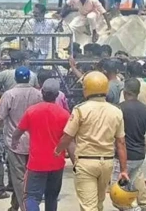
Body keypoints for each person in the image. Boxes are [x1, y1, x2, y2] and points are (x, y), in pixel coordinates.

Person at [55, 71, 129, 211]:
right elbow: (121, 143)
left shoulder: (80, 110)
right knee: (99, 203)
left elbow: (68, 136)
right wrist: (124, 169)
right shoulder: (116, 111)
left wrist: (57, 150)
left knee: (88, 206)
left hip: (86, 162)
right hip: (107, 162)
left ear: (86, 89)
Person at [0, 66, 43, 211]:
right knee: (29, 177)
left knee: (18, 179)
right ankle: (15, 206)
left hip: (14, 141)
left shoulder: (9, 94)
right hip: (33, 142)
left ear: (16, 78)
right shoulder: (38, 94)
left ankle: (25, 208)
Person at [12, 79, 71, 211]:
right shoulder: (64, 114)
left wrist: (14, 141)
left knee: (31, 197)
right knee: (51, 197)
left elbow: (18, 131)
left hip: (36, 163)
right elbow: (69, 140)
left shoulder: (32, 111)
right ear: (57, 95)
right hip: (57, 163)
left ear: (42, 92)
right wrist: (76, 162)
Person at [113, 78, 146, 211]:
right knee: (130, 186)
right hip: (139, 156)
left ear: (124, 92)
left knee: (117, 194)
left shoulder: (119, 109)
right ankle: (140, 204)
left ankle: (134, 208)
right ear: (138, 92)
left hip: (123, 157)